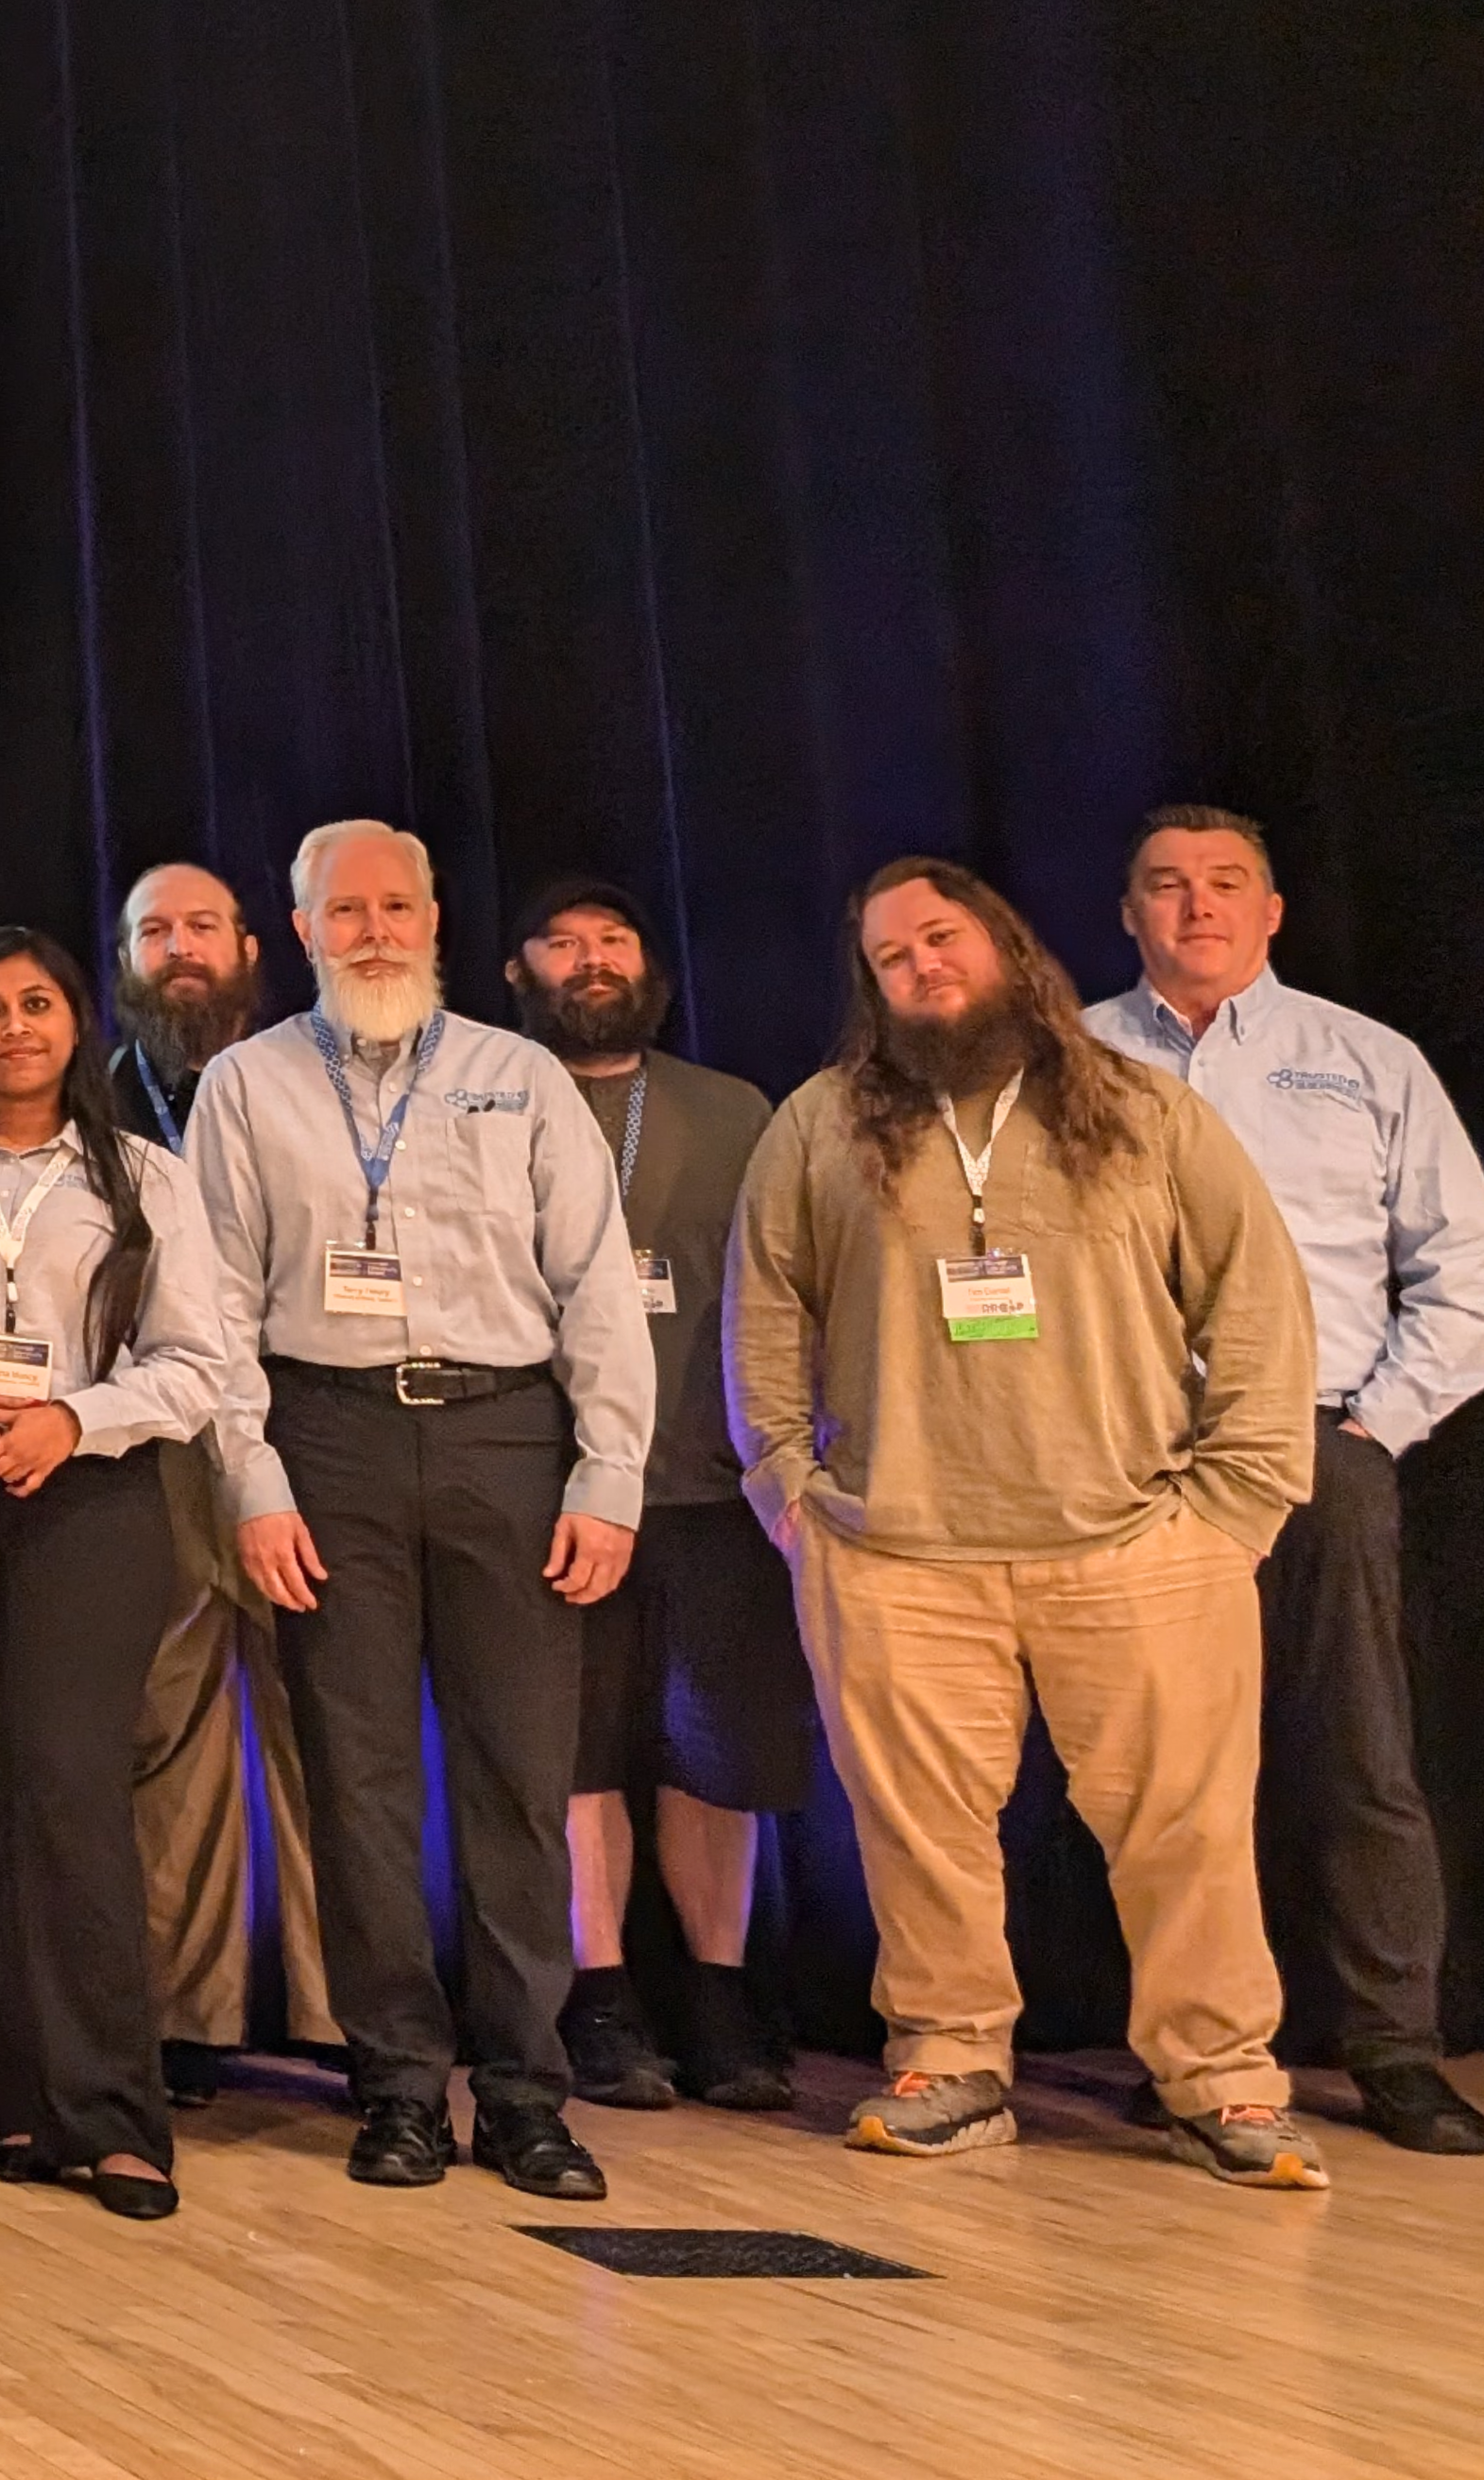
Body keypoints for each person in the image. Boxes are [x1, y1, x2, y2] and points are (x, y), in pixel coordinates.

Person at [735, 858, 1326, 2186]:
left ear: (1003, 943)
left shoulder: (1142, 1112)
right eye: (890, 957)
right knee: (921, 1835)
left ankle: (1222, 2080)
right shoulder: (821, 1125)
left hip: (1137, 1549)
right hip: (895, 1556)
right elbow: (765, 1318)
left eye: (940, 937)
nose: (922, 968)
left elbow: (1258, 1305)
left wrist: (1233, 1506)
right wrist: (793, 1498)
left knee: (1188, 1832)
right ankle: (951, 2059)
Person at [194, 818, 648, 2200]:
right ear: (305, 928)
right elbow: (210, 1306)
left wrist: (611, 1472)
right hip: (326, 1444)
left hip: (506, 1436)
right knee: (360, 1783)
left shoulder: (521, 1078)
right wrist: (253, 1484)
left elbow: (598, 1282)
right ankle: (393, 2083)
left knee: (519, 1777)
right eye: (347, 912)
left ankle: (525, 2090)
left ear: (438, 918)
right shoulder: (246, 1082)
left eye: (397, 906)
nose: (375, 930)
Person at [1089, 805, 1484, 2155]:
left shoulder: (1364, 1060)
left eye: (1225, 884)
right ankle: (1199, 2048)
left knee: (1358, 1754)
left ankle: (1394, 2046)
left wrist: (1377, 1426)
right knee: (1170, 1773)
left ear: (1273, 910)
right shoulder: (1072, 1062)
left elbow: (1462, 1265)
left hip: (1322, 1443)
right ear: (1128, 913)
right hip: (1131, 1464)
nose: (1196, 907)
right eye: (1166, 886)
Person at [0, 926, 235, 2222]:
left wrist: (76, 1418)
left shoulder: (145, 1179)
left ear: (77, 1025)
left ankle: (118, 2117)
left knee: (72, 1789)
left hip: (91, 1504)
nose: (16, 1027)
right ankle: (16, 2103)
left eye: (40, 1005)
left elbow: (196, 1364)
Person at [503, 879, 805, 2119]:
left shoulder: (735, 1108)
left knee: (715, 1755)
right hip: (549, 1489)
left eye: (613, 938)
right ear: (520, 970)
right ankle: (603, 1995)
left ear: (650, 965)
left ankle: (720, 1994)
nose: (590, 960)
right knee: (579, 1755)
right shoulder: (488, 1099)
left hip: (712, 1485)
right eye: (562, 941)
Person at [108, 860, 334, 2093]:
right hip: (151, 1455)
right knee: (168, 1737)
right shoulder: (93, 1106)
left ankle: (346, 2014)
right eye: (155, 932)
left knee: (328, 1732)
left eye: (202, 926)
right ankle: (185, 2016)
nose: (179, 949)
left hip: (311, 1437)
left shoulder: (325, 1086)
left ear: (254, 947)